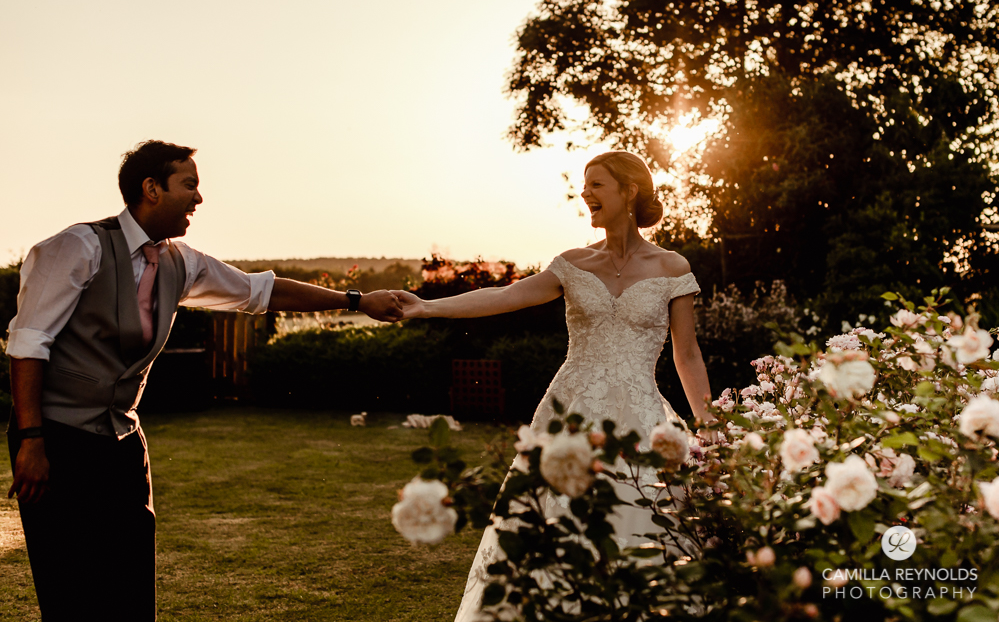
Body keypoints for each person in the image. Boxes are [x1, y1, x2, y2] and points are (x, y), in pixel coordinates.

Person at [4, 140, 403, 621]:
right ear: (151, 189)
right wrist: (31, 441)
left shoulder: (181, 262)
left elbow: (262, 291)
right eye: (189, 184)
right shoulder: (77, 247)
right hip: (57, 441)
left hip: (124, 441)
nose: (198, 198)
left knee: (130, 587)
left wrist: (356, 300)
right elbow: (28, 343)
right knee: (71, 590)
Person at [392, 151, 714, 622]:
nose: (585, 194)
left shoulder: (671, 269)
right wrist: (426, 308)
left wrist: (709, 429)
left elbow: (687, 355)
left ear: (630, 191)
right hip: (569, 415)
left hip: (642, 421)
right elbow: (504, 296)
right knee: (555, 525)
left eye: (597, 185)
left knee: (642, 524)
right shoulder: (572, 263)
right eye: (585, 186)